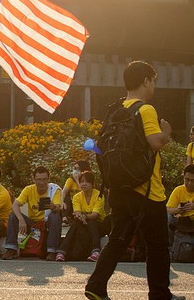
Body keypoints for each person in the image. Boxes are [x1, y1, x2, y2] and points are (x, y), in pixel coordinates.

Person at [85, 61, 185, 300]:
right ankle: (160, 294)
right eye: (154, 81)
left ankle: (96, 286)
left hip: (119, 188)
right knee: (158, 245)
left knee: (118, 240)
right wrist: (167, 133)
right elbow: (155, 142)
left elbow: (100, 147)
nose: (154, 86)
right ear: (146, 81)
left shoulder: (116, 109)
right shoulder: (145, 109)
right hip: (147, 191)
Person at [3, 166, 62, 261]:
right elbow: (15, 205)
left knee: (55, 216)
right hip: (33, 224)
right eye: (38, 179)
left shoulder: (54, 190)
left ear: (48, 179)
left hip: (46, 224)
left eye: (44, 179)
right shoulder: (28, 189)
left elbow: (58, 208)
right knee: (13, 216)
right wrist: (21, 220)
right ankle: (11, 249)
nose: (41, 182)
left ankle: (52, 251)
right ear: (34, 179)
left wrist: (53, 207)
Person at [56, 171, 107, 262]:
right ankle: (62, 252)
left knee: (91, 221)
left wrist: (85, 217)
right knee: (77, 222)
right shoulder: (76, 197)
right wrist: (81, 216)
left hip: (99, 225)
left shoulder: (99, 195)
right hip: (83, 223)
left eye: (87, 182)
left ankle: (96, 251)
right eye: (82, 182)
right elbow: (77, 212)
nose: (84, 184)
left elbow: (95, 215)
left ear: (92, 184)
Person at [166, 164, 194, 247]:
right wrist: (178, 210)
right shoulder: (179, 190)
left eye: (193, 181)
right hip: (183, 219)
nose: (189, 183)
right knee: (167, 217)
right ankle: (172, 247)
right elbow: (167, 209)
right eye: (187, 180)